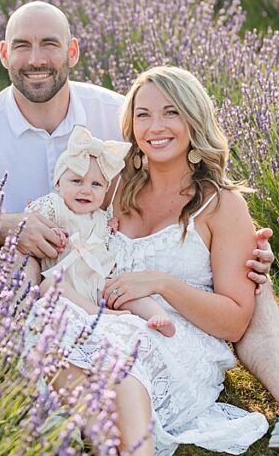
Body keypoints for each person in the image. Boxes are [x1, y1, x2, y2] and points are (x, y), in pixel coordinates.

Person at [0, 1, 279, 456]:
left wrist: (234, 240)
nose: (36, 58)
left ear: (72, 51)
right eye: (23, 46)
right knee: (23, 273)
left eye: (49, 44)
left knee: (247, 273)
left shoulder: (116, 113)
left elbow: (191, 183)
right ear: (4, 53)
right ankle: (42, 405)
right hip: (39, 272)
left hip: (120, 278)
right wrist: (5, 226)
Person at [24, 126, 178, 337]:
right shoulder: (53, 206)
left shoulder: (100, 216)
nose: (86, 189)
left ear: (106, 190)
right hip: (65, 280)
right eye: (77, 181)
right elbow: (30, 224)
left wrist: (110, 226)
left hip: (97, 281)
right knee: (49, 287)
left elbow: (106, 237)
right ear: (58, 183)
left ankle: (157, 315)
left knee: (127, 291)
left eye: (96, 184)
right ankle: (100, 314)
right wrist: (51, 231)